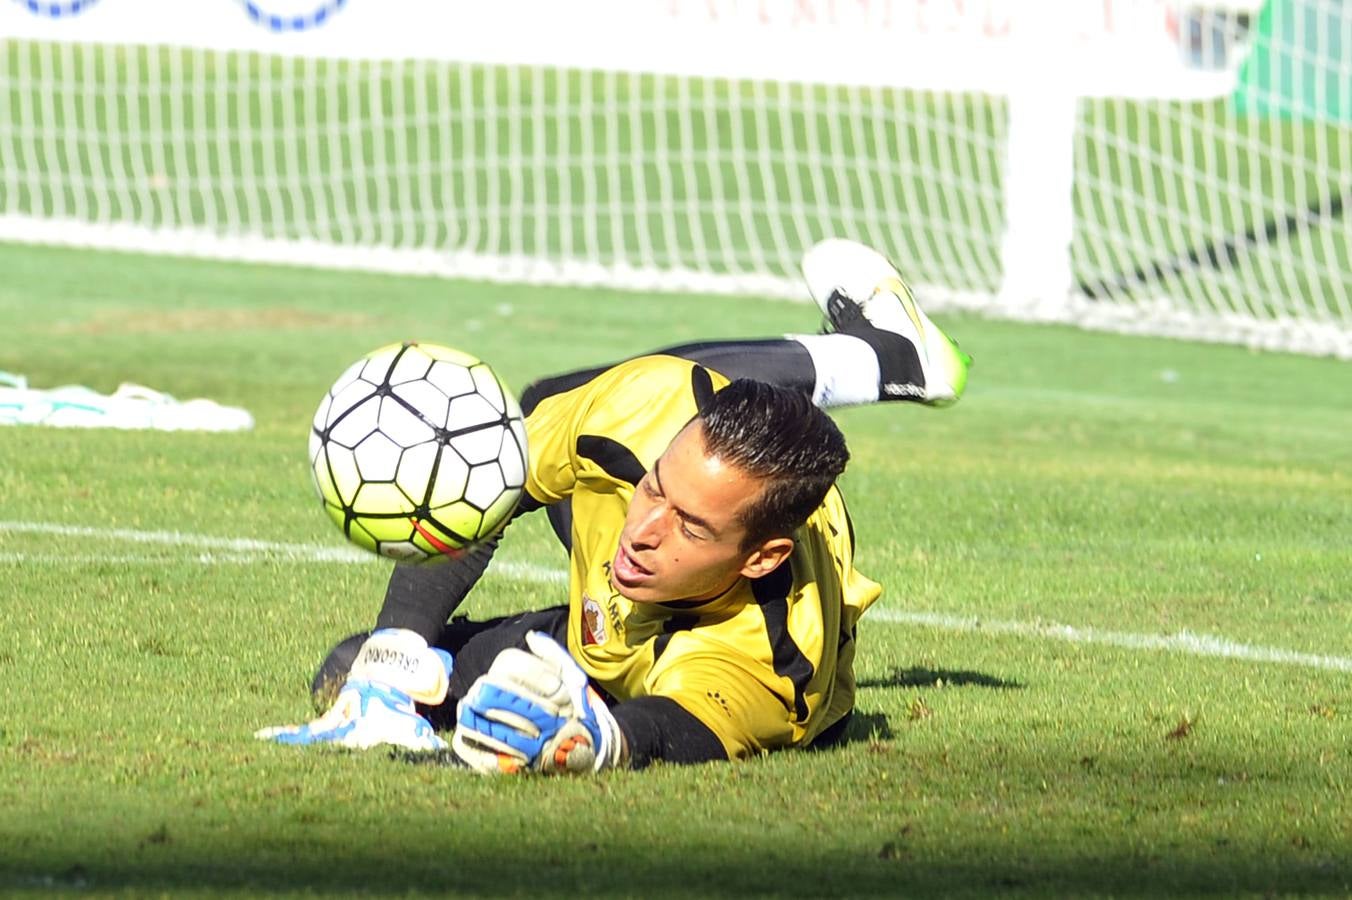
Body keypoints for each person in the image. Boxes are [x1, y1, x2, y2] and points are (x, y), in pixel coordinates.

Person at [256, 238, 971, 773]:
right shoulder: (639, 416)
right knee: (352, 665)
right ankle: (881, 358)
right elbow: (489, 480)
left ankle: (882, 359)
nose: (644, 530)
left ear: (762, 556)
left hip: (674, 656)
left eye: (688, 525)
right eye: (655, 487)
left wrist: (594, 738)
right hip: (641, 552)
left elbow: (661, 730)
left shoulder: (770, 663)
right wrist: (399, 647)